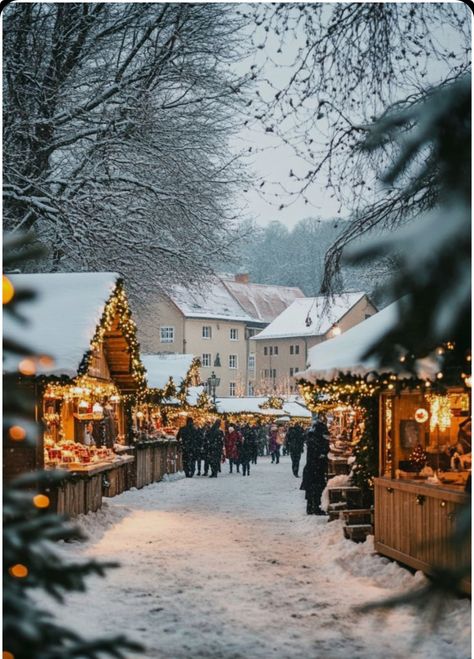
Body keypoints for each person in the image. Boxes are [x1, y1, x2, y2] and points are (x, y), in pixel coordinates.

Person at [300, 415, 329, 514]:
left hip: (311, 468)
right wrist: (322, 454)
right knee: (316, 488)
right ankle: (315, 508)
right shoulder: (317, 440)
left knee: (311, 489)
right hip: (316, 468)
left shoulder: (312, 437)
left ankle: (310, 508)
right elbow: (319, 452)